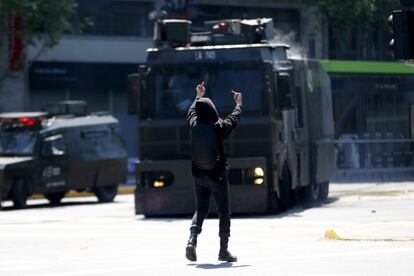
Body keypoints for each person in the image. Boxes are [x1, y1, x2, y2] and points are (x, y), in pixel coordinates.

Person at [185, 81, 242, 262]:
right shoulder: (218, 129)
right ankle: (223, 250)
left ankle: (192, 240)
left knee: (201, 209)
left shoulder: (194, 125)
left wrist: (198, 97)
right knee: (223, 211)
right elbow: (233, 119)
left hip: (198, 174)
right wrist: (239, 104)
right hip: (217, 175)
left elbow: (192, 111)